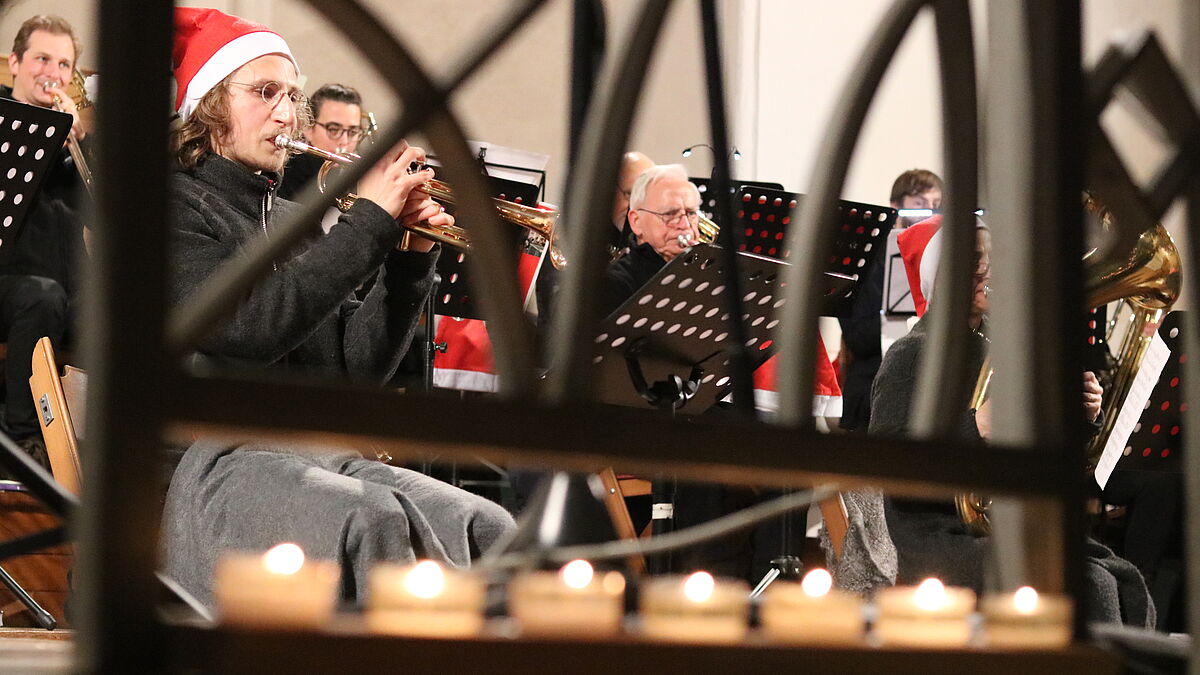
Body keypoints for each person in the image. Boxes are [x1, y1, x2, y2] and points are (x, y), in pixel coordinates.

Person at [160, 7, 515, 607]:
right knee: (372, 519)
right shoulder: (173, 207)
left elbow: (357, 371)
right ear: (209, 106)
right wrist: (370, 222)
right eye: (265, 92)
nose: (284, 114)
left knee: (491, 529)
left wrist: (409, 257)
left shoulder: (296, 225)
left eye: (292, 97)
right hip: (214, 463)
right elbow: (250, 329)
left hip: (316, 453)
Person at [0, 15, 88, 464]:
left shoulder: (76, 143)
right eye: (41, 58)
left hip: (59, 292)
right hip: (12, 285)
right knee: (43, 296)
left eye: (64, 64)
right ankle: (22, 438)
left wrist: (76, 145)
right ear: (15, 62)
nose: (52, 72)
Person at [837, 169, 945, 432]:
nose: (929, 211)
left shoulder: (937, 256)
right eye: (920, 204)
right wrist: (904, 319)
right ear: (895, 206)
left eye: (935, 205)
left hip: (922, 377)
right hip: (872, 377)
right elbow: (859, 338)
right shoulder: (866, 257)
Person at [276, 83, 365, 201]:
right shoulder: (286, 176)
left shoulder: (355, 176)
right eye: (333, 129)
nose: (344, 141)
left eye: (353, 132)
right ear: (308, 127)